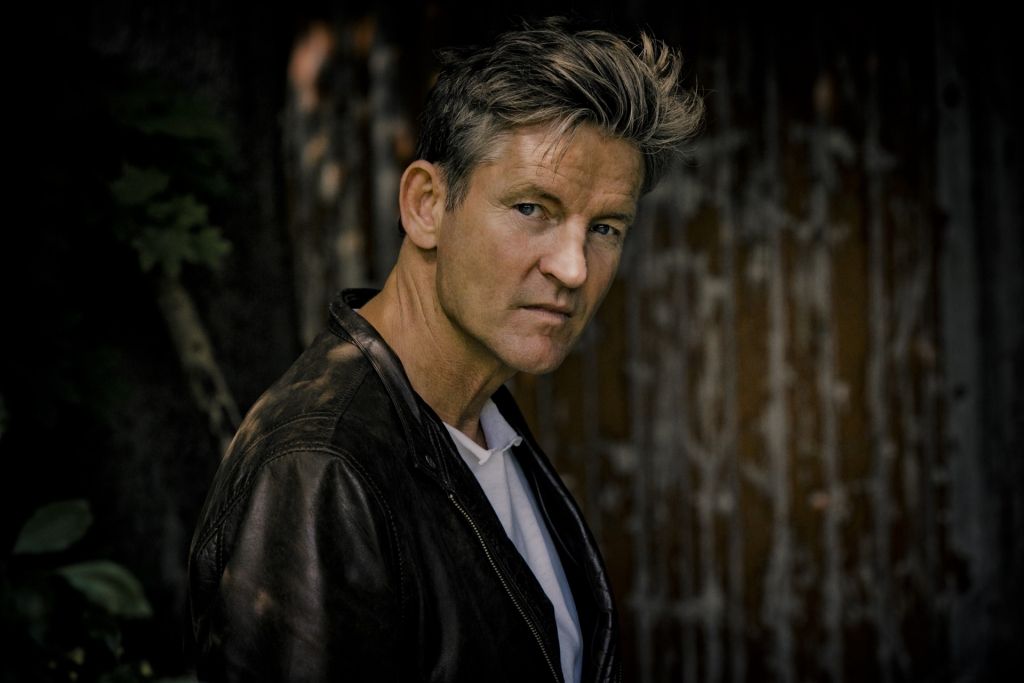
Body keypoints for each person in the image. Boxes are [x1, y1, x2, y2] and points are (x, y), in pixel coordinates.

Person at [188, 17, 702, 683]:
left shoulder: (482, 421)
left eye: (604, 227)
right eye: (533, 209)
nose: (574, 268)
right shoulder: (320, 469)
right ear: (427, 205)